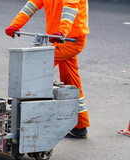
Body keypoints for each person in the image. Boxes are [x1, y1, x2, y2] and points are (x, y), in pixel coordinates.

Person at [5, 0, 90, 139]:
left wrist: (63, 30)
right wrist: (16, 24)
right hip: (59, 38)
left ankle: (27, 120)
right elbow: (33, 4)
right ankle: (79, 127)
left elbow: (71, 8)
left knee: (36, 69)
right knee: (71, 81)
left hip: (72, 40)